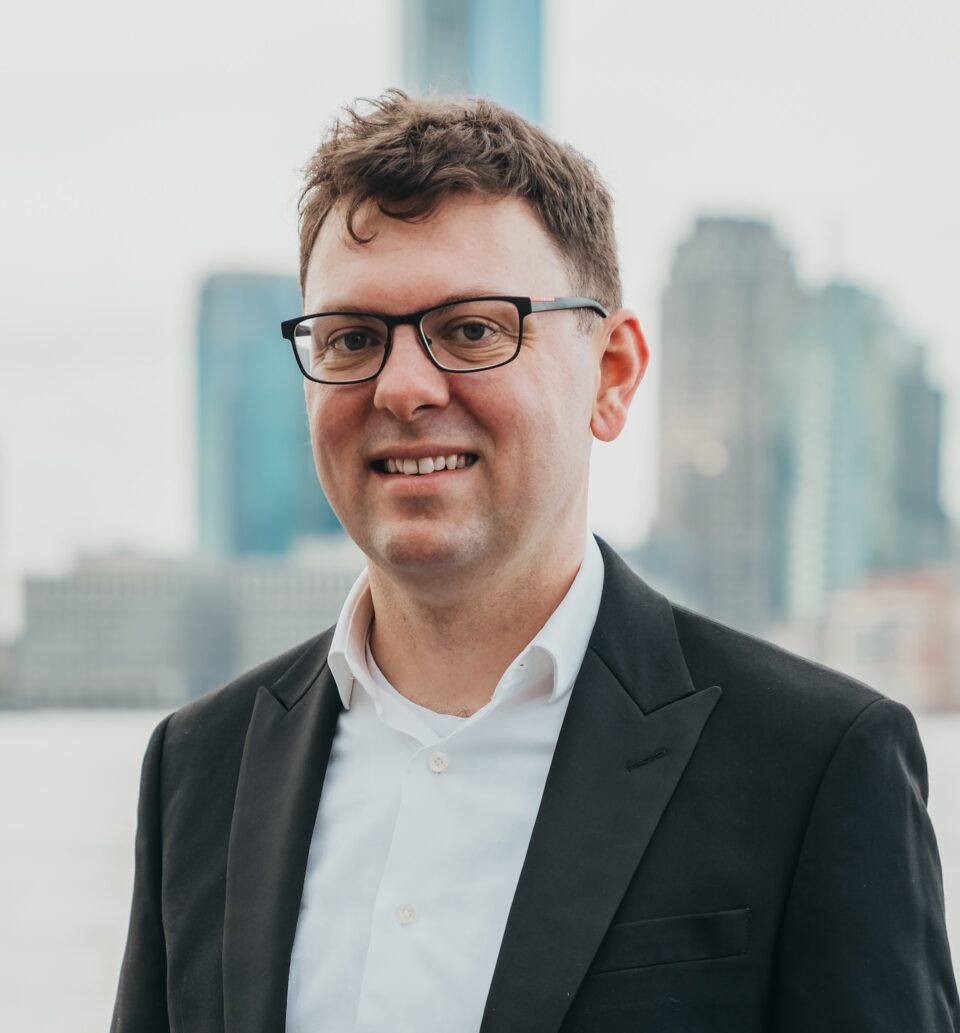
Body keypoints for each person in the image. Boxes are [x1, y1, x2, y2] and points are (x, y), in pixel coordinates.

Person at [112, 90, 959, 1033]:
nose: (403, 388)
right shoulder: (198, 767)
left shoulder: (817, 765)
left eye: (473, 328)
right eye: (352, 338)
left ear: (612, 372)